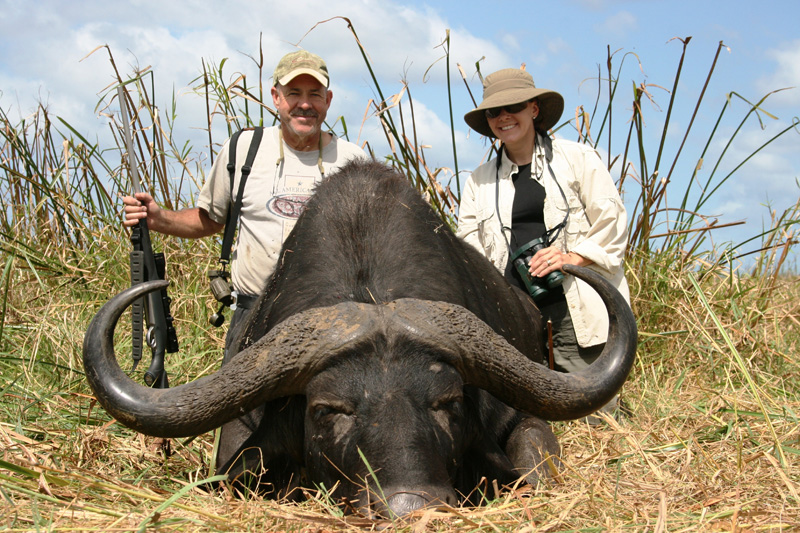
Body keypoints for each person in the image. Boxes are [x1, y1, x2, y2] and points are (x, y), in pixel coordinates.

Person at [122, 50, 366, 472]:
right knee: (236, 462)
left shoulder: (353, 160)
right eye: (294, 93)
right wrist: (157, 217)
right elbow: (207, 219)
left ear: (328, 100)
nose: (304, 103)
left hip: (332, 323)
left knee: (336, 447)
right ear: (275, 97)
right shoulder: (244, 150)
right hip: (254, 317)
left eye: (314, 94)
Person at [457, 68, 630, 420]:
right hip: (512, 320)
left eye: (514, 106)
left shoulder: (578, 159)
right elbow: (467, 249)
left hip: (574, 311)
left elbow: (612, 222)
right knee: (521, 421)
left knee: (596, 417)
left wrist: (571, 257)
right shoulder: (478, 181)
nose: (503, 117)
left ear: (534, 109)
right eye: (494, 111)